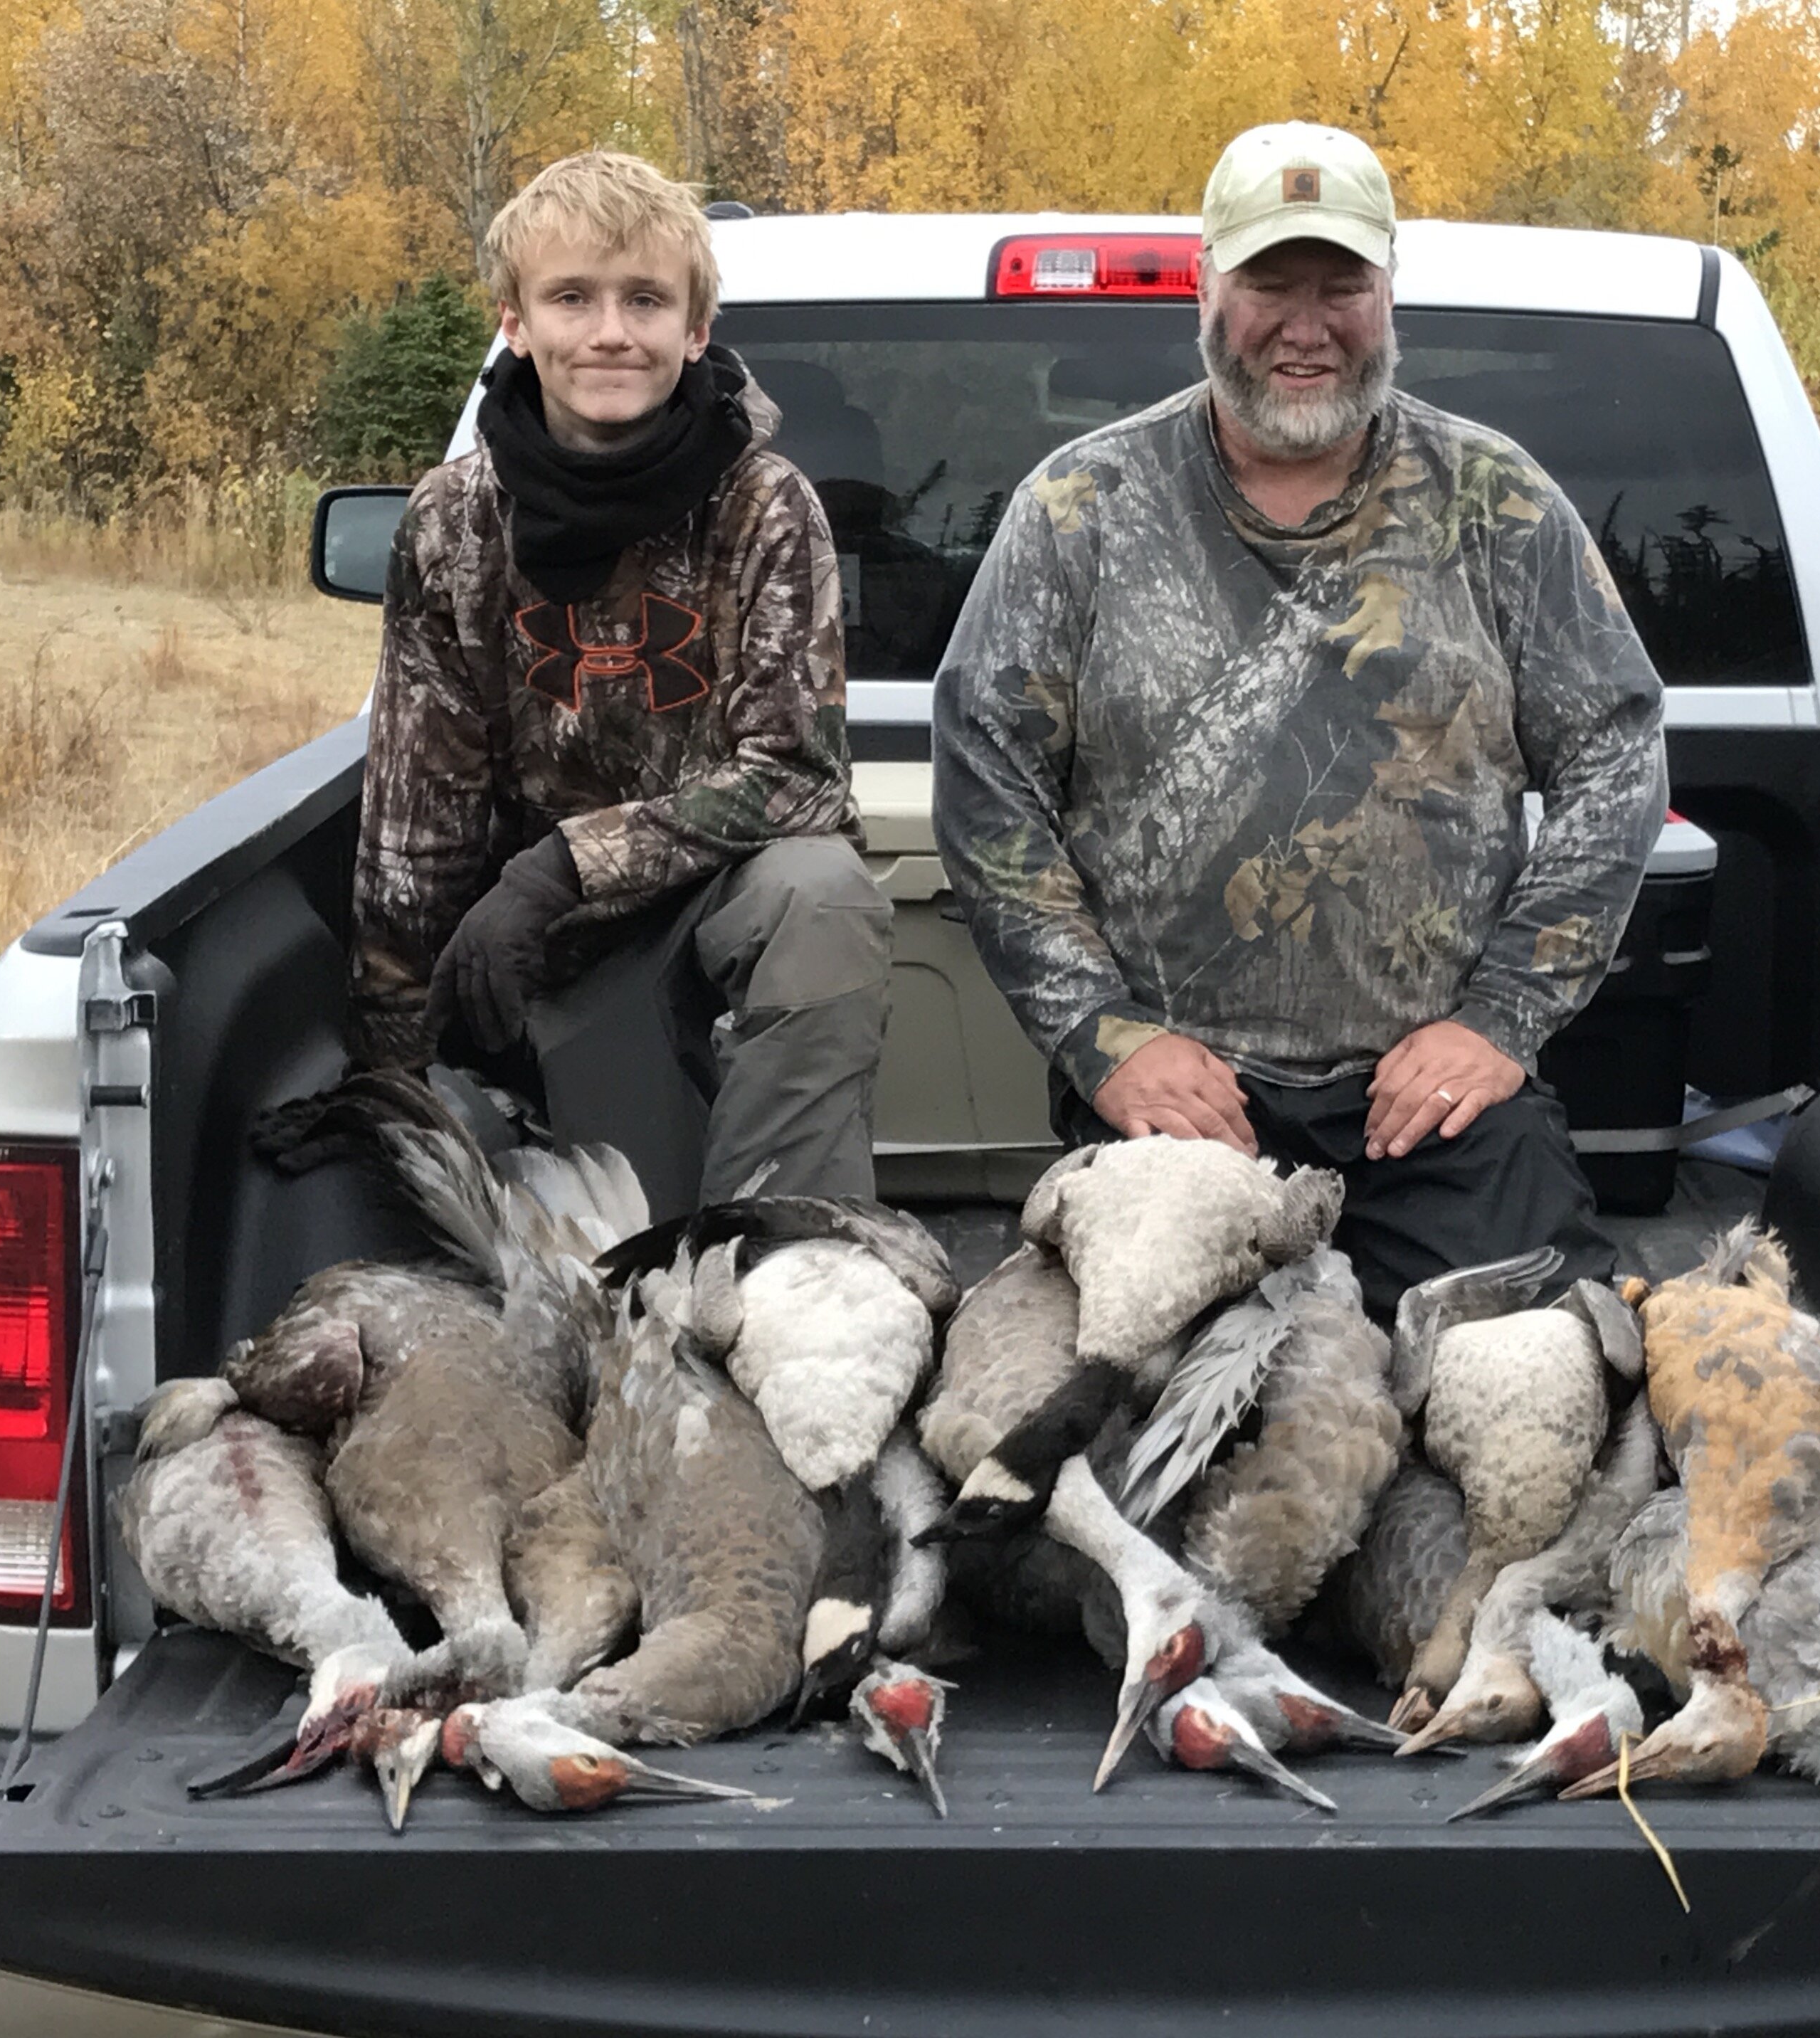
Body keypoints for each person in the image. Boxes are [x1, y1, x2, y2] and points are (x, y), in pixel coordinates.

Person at [932, 121, 1667, 1314]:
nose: (1305, 322)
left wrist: (1499, 1021)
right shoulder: (1079, 510)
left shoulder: (1497, 500)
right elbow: (988, 788)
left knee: (1535, 1388)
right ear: (1206, 287)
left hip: (1436, 1106)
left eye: (1342, 286)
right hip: (1177, 1104)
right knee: (1157, 1426)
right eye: (1271, 282)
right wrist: (1104, 1038)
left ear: (1390, 296)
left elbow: (1615, 751)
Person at [347, 149, 889, 1200]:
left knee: (818, 889)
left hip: (705, 927)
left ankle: (784, 1260)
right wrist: (388, 1071)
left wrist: (562, 869)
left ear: (694, 332)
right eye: (571, 298)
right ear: (515, 320)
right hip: (531, 963)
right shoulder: (454, 520)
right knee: (578, 1244)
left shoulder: (762, 504)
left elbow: (797, 774)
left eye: (645, 300)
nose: (609, 332)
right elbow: (417, 818)